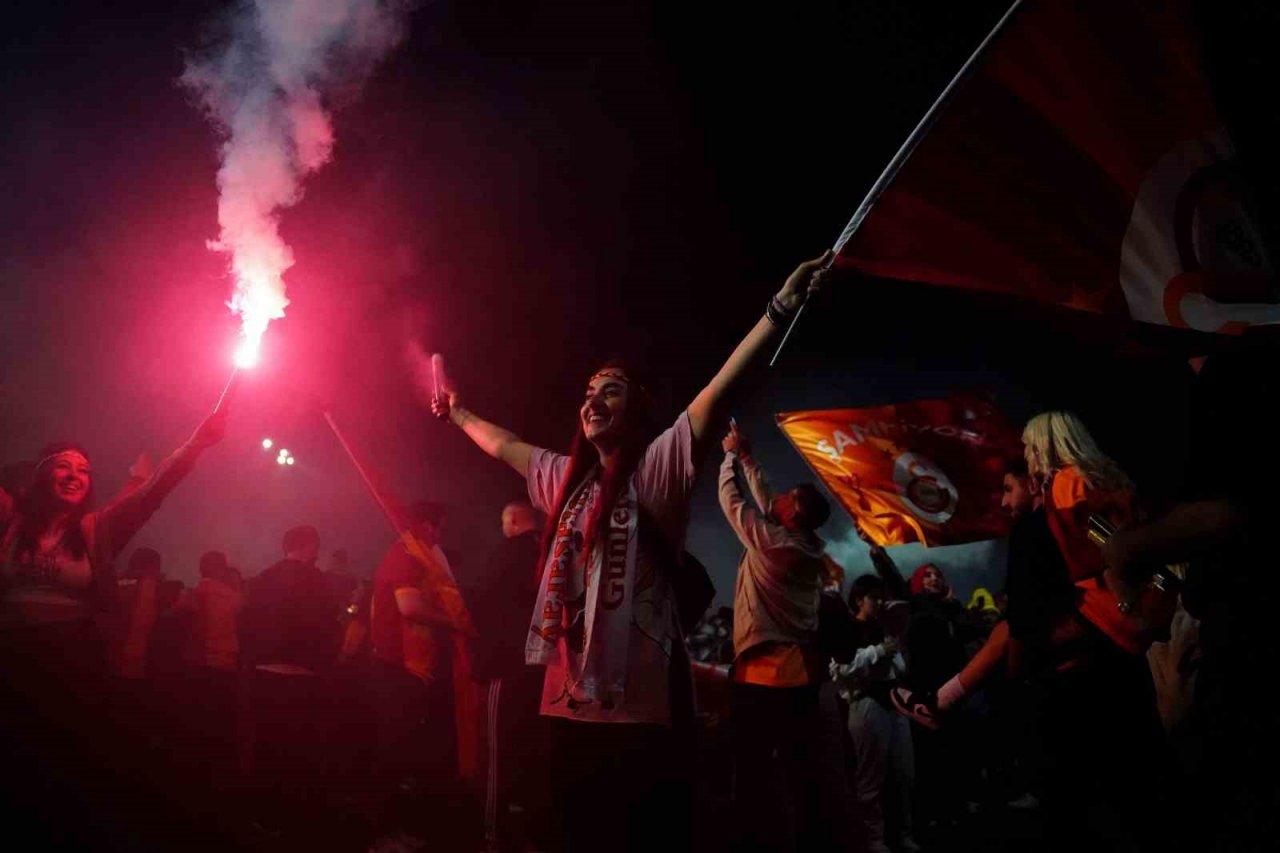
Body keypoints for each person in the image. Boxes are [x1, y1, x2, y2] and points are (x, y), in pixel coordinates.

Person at [428, 252, 834, 852]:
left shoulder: (658, 467)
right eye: (588, 392)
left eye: (610, 392)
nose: (592, 401)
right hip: (566, 710)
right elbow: (506, 445)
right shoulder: (563, 481)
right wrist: (456, 412)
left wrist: (779, 309)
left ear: (636, 407)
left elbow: (716, 393)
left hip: (641, 715)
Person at [0, 409, 228, 844]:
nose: (74, 475)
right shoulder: (10, 521)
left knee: (64, 777)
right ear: (40, 475)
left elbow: (153, 490)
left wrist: (196, 442)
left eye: (84, 470)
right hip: (11, 663)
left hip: (72, 665)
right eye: (63, 466)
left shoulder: (95, 529)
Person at [718, 419, 830, 852]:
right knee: (803, 776)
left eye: (788, 498)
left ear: (796, 513)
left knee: (752, 776)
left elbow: (733, 502)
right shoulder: (800, 545)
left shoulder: (773, 544)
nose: (778, 498)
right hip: (801, 676)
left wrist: (729, 457)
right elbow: (766, 501)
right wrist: (747, 455)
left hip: (765, 677)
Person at [240, 524, 341, 831]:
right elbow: (330, 628)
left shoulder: (262, 579)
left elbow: (245, 624)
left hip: (264, 675)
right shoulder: (318, 581)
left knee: (266, 746)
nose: (317, 554)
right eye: (316, 548)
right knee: (299, 751)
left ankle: (261, 816)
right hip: (301, 677)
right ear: (308, 545)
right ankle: (296, 819)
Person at [472, 500, 549, 853]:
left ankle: (492, 834)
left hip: (507, 663)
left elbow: (482, 598)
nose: (503, 527)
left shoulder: (507, 555)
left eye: (504, 520)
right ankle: (532, 830)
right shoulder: (554, 552)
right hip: (545, 669)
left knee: (497, 750)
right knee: (533, 749)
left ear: (515, 521)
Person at [831, 575, 917, 853]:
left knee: (904, 773)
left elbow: (901, 671)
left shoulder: (884, 629)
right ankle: (874, 839)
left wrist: (892, 653)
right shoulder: (848, 628)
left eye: (882, 597)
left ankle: (903, 832)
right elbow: (840, 670)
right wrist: (878, 651)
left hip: (894, 703)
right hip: (866, 704)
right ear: (859, 600)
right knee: (870, 778)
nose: (880, 602)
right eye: (874, 597)